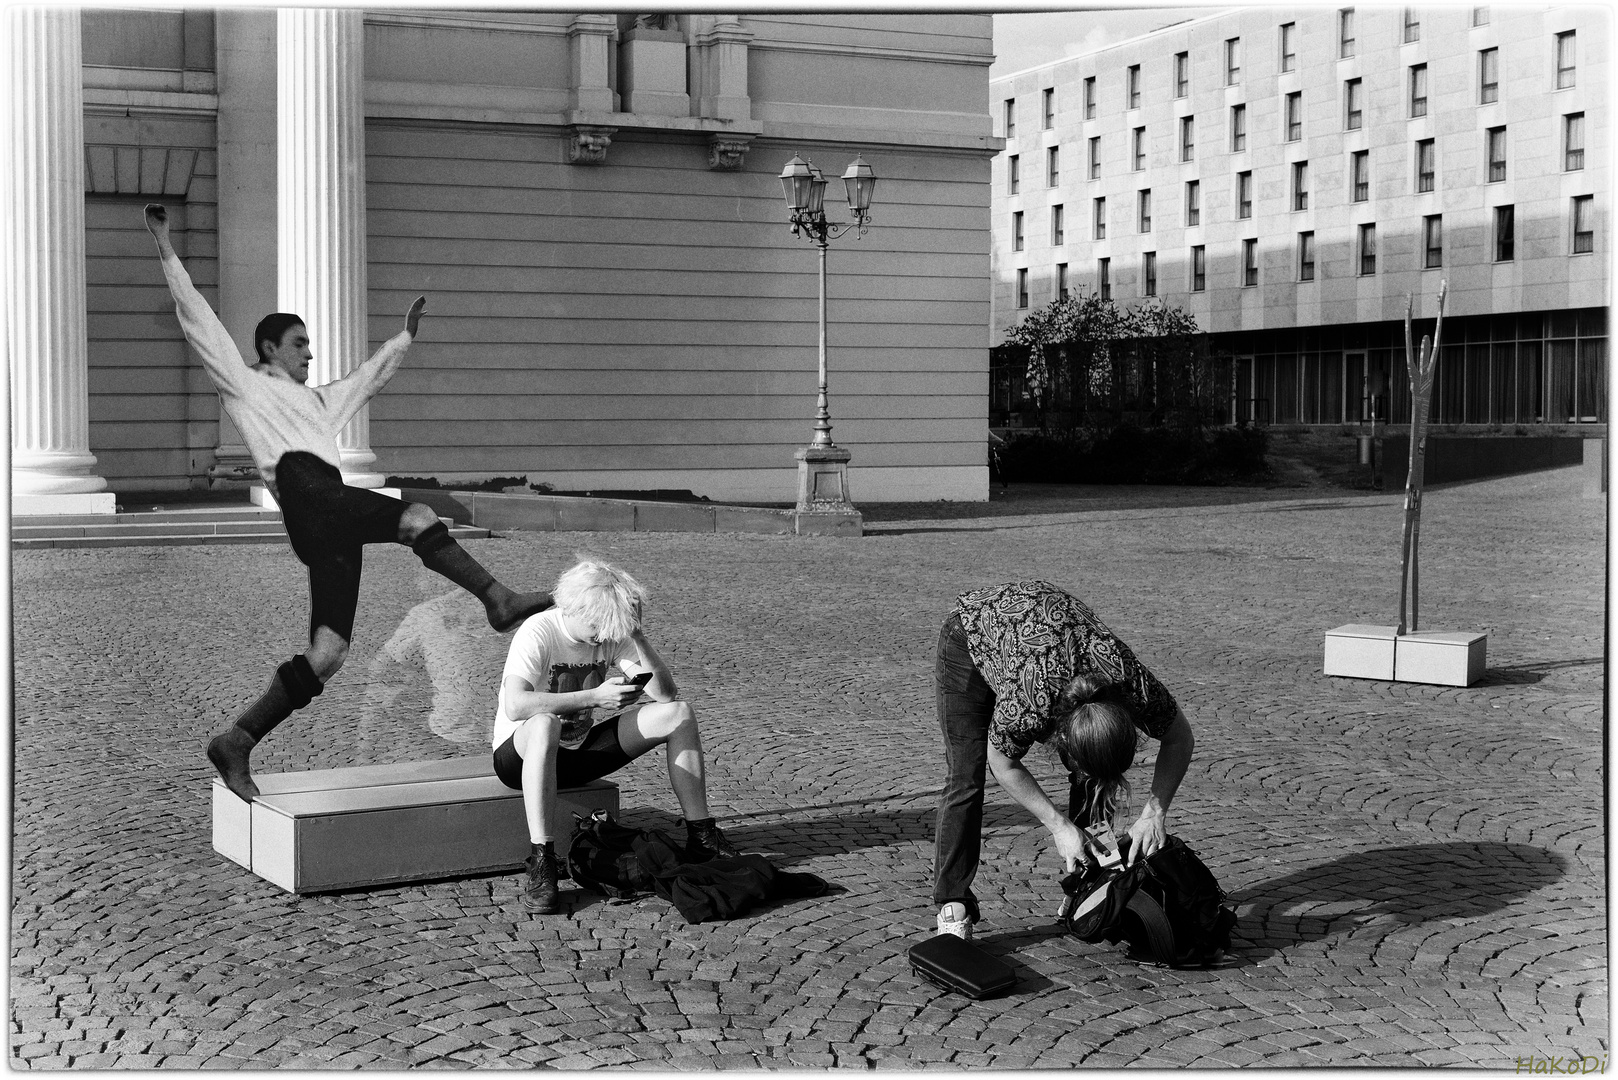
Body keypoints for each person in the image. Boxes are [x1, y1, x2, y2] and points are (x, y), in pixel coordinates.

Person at [143, 203, 553, 803]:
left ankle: (235, 740)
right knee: (415, 517)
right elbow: (200, 323)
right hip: (308, 496)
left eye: (310, 344)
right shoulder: (246, 385)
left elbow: (367, 379)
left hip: (328, 516)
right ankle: (498, 598)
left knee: (330, 653)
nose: (309, 354)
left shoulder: (320, 403)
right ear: (268, 347)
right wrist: (165, 246)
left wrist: (405, 336)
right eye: (299, 344)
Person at [932, 579, 1195, 940]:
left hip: (1048, 636)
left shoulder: (1131, 683)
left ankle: (1091, 879)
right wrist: (1058, 826)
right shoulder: (1031, 703)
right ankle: (953, 900)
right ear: (1063, 738)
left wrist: (1154, 813)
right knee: (967, 775)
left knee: (1093, 775)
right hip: (972, 635)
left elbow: (1179, 738)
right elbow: (1002, 762)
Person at [493, 557, 740, 913]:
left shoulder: (611, 631)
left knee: (679, 714)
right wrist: (595, 696)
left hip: (577, 753)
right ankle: (542, 860)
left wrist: (636, 634)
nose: (602, 633)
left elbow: (665, 694)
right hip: (518, 755)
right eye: (596, 622)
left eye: (610, 623)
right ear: (571, 606)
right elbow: (516, 705)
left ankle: (702, 836)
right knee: (546, 723)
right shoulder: (539, 630)